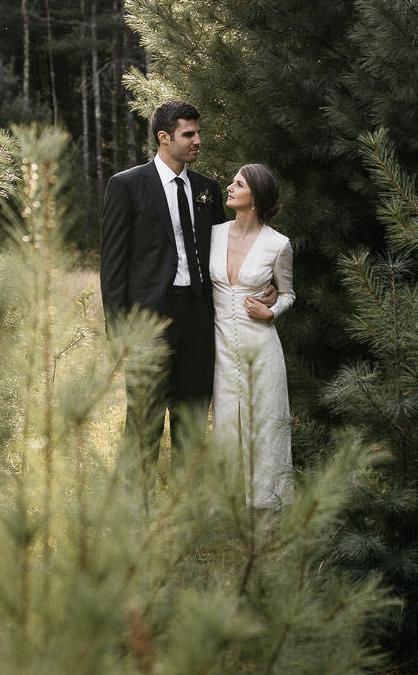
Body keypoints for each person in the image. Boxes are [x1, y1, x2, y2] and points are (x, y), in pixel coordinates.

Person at [99, 100, 222, 463]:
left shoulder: (208, 189)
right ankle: (136, 513)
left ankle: (186, 509)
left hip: (198, 318)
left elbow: (219, 253)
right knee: (143, 421)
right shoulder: (127, 185)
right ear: (164, 137)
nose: (198, 140)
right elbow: (112, 265)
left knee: (193, 420)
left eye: (198, 132)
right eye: (189, 134)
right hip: (149, 320)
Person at [210, 162, 295, 509]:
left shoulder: (278, 244)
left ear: (255, 198)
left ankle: (267, 506)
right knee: (227, 426)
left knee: (265, 426)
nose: (229, 187)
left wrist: (272, 310)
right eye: (232, 181)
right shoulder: (212, 233)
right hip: (221, 349)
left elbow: (288, 292)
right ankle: (227, 505)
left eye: (239, 184)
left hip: (261, 348)